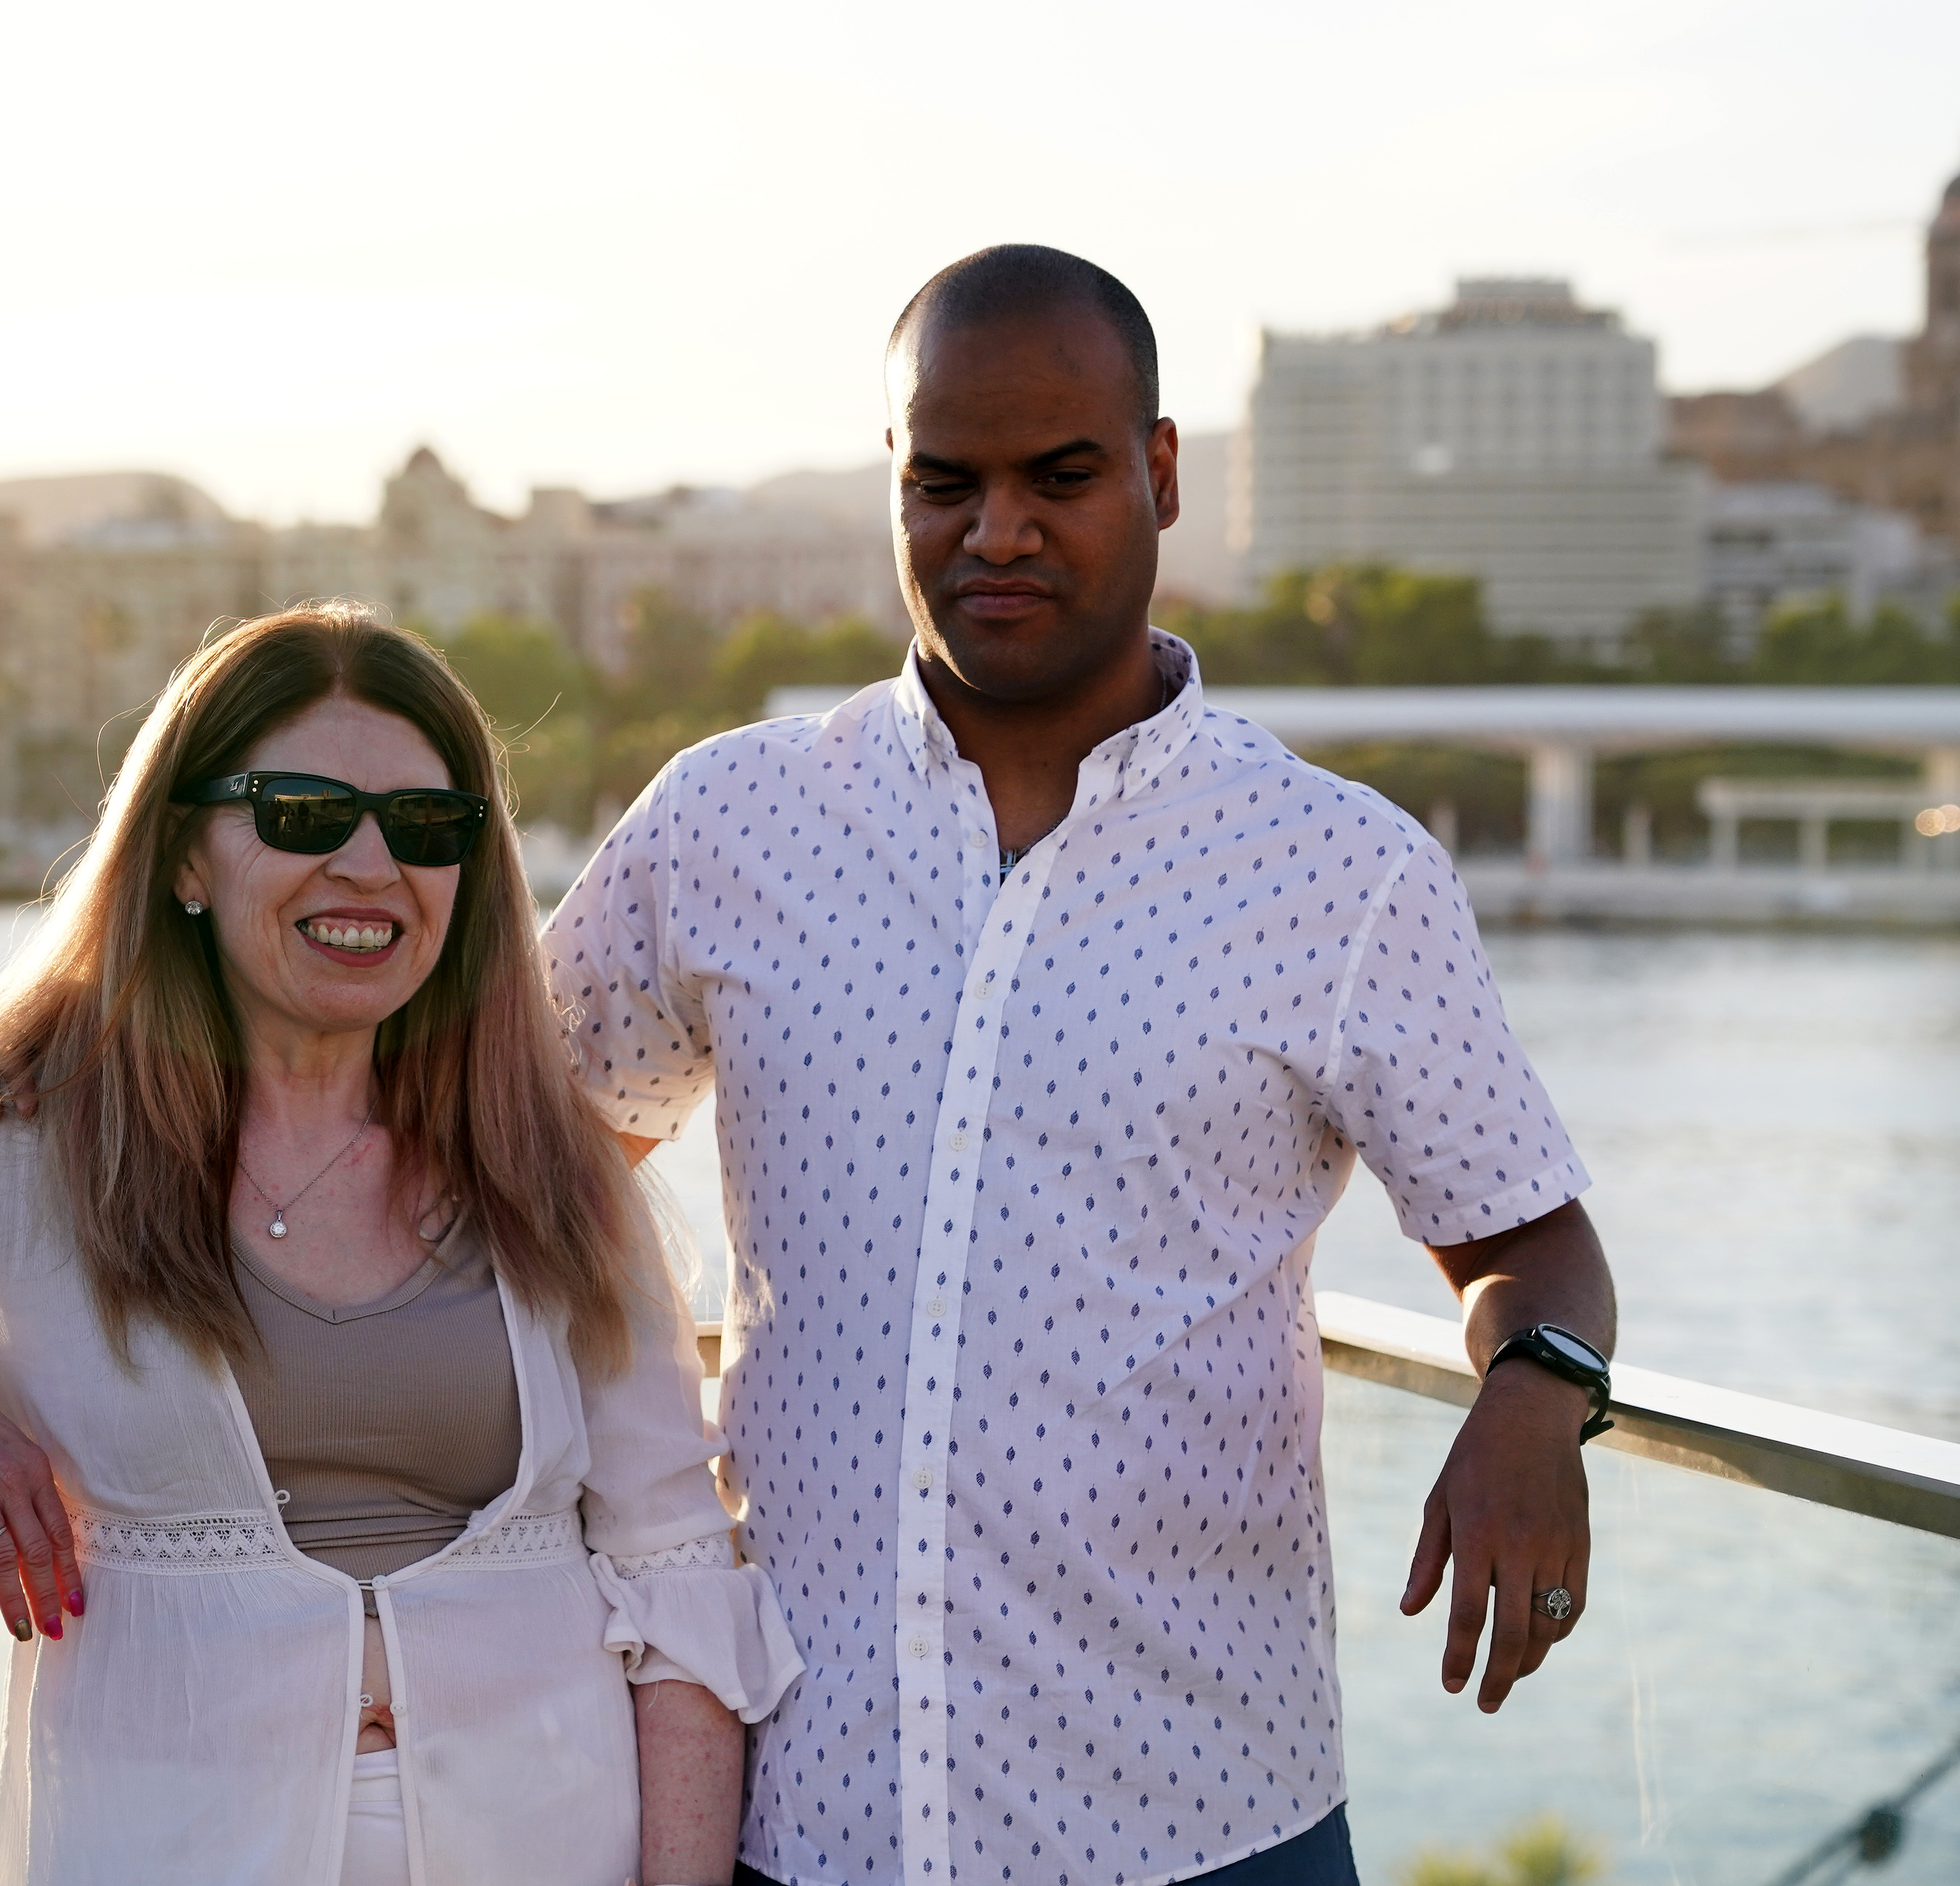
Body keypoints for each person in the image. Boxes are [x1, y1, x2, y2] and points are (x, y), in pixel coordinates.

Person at [542, 247, 1618, 1886]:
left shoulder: (1342, 873)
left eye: (1061, 476)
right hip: (805, 1823)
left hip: (1205, 1827)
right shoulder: (723, 825)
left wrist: (1537, 1397)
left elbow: (1527, 1239)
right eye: (944, 482)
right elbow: (502, 1165)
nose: (998, 532)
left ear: (1162, 473)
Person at [0, 605, 802, 1886]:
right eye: (303, 813)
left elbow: (675, 1576)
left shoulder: (547, 1166)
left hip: (552, 1840)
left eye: (427, 829)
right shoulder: (17, 1147)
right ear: (184, 858)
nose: (371, 867)